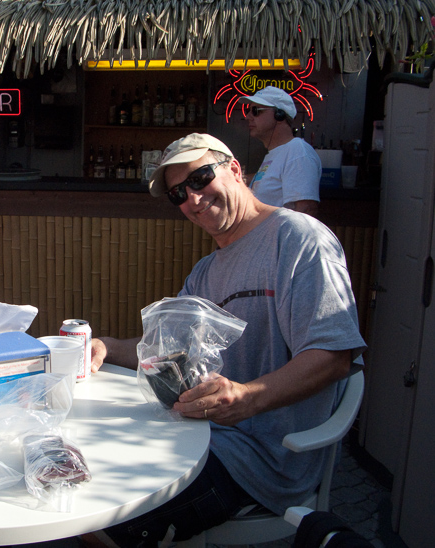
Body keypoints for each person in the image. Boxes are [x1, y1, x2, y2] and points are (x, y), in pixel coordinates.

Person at [86, 133, 365, 547]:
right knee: (85, 478)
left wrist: (246, 397)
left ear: (235, 169)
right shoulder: (205, 271)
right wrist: (107, 345)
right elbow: (167, 350)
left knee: (101, 524)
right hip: (199, 438)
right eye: (178, 193)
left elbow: (333, 357)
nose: (193, 199)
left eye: (200, 178)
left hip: (262, 461)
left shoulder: (300, 239)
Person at [242, 86, 321, 216]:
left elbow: (306, 210)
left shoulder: (297, 152)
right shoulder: (279, 153)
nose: (248, 116)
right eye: (248, 110)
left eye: (255, 111)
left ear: (279, 116)